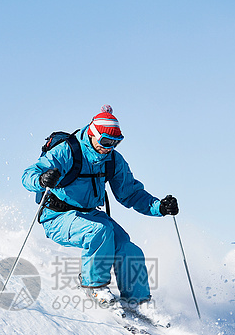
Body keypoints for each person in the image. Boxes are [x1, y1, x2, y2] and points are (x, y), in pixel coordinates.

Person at [22, 105, 178, 311]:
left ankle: (138, 301)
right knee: (100, 231)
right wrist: (42, 179)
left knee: (127, 247)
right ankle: (94, 286)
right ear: (93, 134)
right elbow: (28, 175)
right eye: (106, 141)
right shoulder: (68, 150)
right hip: (57, 216)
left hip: (89, 213)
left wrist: (160, 207)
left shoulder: (112, 159)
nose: (110, 147)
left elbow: (130, 193)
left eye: (116, 142)